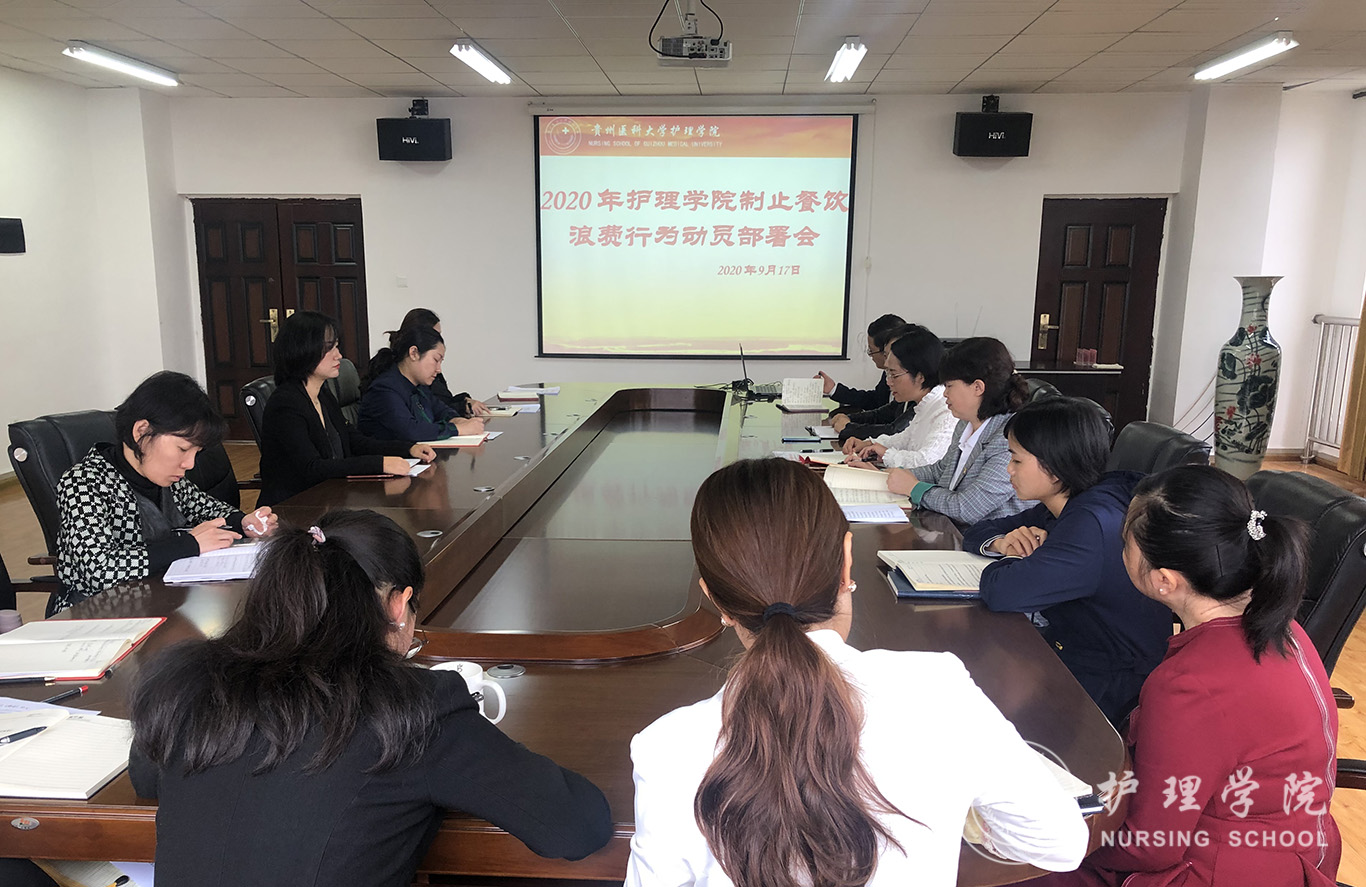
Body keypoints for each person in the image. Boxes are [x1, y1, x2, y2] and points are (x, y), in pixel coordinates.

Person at [626, 458, 1088, 887]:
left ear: (716, 601)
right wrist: (963, 804)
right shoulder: (938, 689)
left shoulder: (668, 748)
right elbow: (1060, 844)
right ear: (846, 560)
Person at [128, 509, 613, 887]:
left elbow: (147, 777)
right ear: (398, 604)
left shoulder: (186, 680)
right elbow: (576, 826)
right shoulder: (415, 708)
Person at [1025, 465, 1340, 887]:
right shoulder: (1284, 628)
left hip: (1216, 870)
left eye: (1124, 544)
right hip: (1293, 852)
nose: (1119, 552)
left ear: (1164, 581)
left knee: (1011, 862)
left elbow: (1152, 845)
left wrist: (1052, 841)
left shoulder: (1189, 684)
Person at [960, 398, 1170, 724]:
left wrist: (1016, 558)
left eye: (1016, 459)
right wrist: (1002, 542)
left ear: (1054, 468)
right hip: (1072, 649)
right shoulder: (1069, 501)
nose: (1009, 469)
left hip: (1107, 684)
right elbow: (978, 531)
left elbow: (1003, 592)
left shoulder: (1090, 524)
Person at [54, 371, 277, 614]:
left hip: (160, 600)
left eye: (196, 452)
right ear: (141, 431)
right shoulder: (83, 483)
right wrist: (189, 544)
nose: (190, 464)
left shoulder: (164, 477)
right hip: (97, 616)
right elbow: (101, 572)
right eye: (182, 449)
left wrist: (243, 522)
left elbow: (206, 508)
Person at [257, 311, 435, 507]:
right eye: (329, 348)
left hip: (330, 498)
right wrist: (380, 464)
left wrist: (407, 448)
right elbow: (312, 468)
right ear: (304, 350)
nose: (339, 355)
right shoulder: (285, 404)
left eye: (337, 346)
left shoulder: (323, 395)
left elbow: (354, 441)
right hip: (293, 508)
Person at [852, 336, 1030, 524]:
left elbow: (967, 508)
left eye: (949, 386)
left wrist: (914, 488)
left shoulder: (1008, 439)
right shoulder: (965, 423)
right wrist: (888, 477)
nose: (945, 393)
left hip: (986, 536)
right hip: (947, 526)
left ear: (977, 387)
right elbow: (940, 471)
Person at [843, 324, 955, 468]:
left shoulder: (946, 409)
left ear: (920, 376)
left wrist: (886, 454)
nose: (888, 382)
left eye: (894, 375)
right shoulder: (926, 404)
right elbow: (905, 439)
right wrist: (870, 444)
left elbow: (928, 461)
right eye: (887, 373)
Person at [357, 323, 486, 441]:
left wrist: (457, 420)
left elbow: (441, 409)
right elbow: (410, 430)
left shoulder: (419, 387)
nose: (439, 370)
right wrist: (457, 429)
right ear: (414, 353)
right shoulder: (384, 389)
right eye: (436, 360)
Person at [830, 320, 916, 443]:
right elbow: (883, 412)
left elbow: (895, 431)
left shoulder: (927, 398)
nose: (889, 382)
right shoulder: (902, 383)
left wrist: (849, 428)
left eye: (887, 354)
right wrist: (849, 418)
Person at [398, 308, 490, 417]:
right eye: (434, 335)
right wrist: (462, 408)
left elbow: (442, 404)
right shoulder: (394, 387)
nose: (438, 370)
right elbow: (428, 418)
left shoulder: (427, 376)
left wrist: (464, 401)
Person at [815, 313, 905, 414]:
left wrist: (850, 422)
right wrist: (833, 389)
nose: (870, 355)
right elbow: (876, 401)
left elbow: (890, 420)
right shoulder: (888, 372)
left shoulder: (909, 381)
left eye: (871, 350)